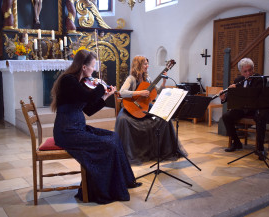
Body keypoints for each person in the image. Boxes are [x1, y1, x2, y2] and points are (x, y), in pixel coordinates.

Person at [50, 49, 141, 204]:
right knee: (108, 145)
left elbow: (89, 109)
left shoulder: (78, 82)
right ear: (84, 67)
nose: (94, 70)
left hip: (78, 128)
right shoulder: (68, 81)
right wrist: (101, 84)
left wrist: (106, 94)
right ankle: (104, 189)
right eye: (93, 66)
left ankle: (124, 181)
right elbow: (91, 96)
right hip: (67, 131)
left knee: (114, 137)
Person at [115, 55, 186, 164]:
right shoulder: (131, 78)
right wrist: (139, 92)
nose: (147, 66)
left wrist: (163, 82)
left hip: (146, 107)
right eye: (145, 64)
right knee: (123, 121)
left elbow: (157, 92)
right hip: (131, 108)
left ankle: (160, 151)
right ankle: (134, 153)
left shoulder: (147, 79)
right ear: (138, 65)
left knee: (163, 119)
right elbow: (122, 92)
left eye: (147, 63)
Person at [219, 57, 269, 160]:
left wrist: (239, 91)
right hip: (243, 108)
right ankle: (237, 143)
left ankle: (260, 148)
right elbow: (235, 99)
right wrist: (225, 97)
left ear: (253, 69)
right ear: (241, 72)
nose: (248, 73)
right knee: (226, 117)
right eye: (245, 71)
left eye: (250, 70)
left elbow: (255, 94)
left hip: (257, 108)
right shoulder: (238, 80)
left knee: (261, 117)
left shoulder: (260, 79)